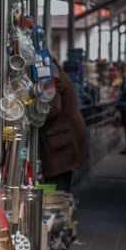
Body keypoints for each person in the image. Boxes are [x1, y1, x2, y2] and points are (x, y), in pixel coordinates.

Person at [40, 60, 89, 192]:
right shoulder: (58, 74)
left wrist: (33, 111)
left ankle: (59, 210)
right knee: (62, 183)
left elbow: (54, 109)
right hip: (64, 137)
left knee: (58, 187)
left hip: (62, 140)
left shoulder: (53, 78)